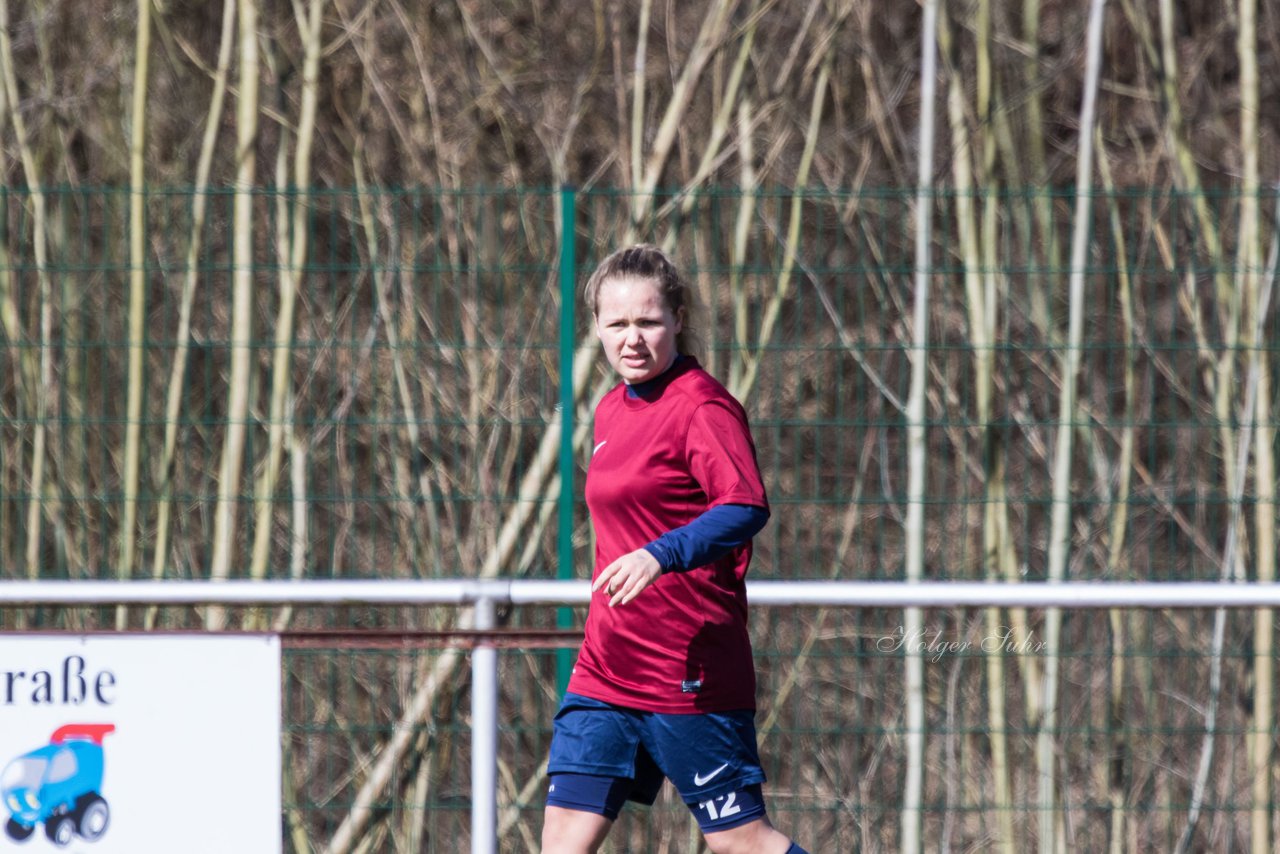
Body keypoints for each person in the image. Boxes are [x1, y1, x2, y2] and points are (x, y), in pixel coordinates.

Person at [542, 245, 808, 854]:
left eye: (647, 322)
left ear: (678, 319)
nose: (631, 339)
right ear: (597, 329)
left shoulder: (701, 407)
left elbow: (744, 506)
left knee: (742, 842)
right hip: (605, 671)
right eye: (617, 324)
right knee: (562, 843)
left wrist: (660, 554)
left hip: (686, 671)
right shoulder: (610, 409)